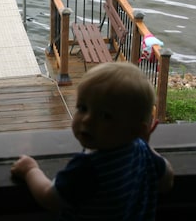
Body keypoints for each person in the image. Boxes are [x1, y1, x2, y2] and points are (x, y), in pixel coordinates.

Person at [11, 62, 174, 220]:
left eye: (105, 116)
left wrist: (30, 170)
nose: (87, 120)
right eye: (82, 108)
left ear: (136, 129)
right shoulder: (143, 153)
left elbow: (50, 198)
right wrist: (143, 141)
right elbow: (166, 180)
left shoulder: (88, 168)